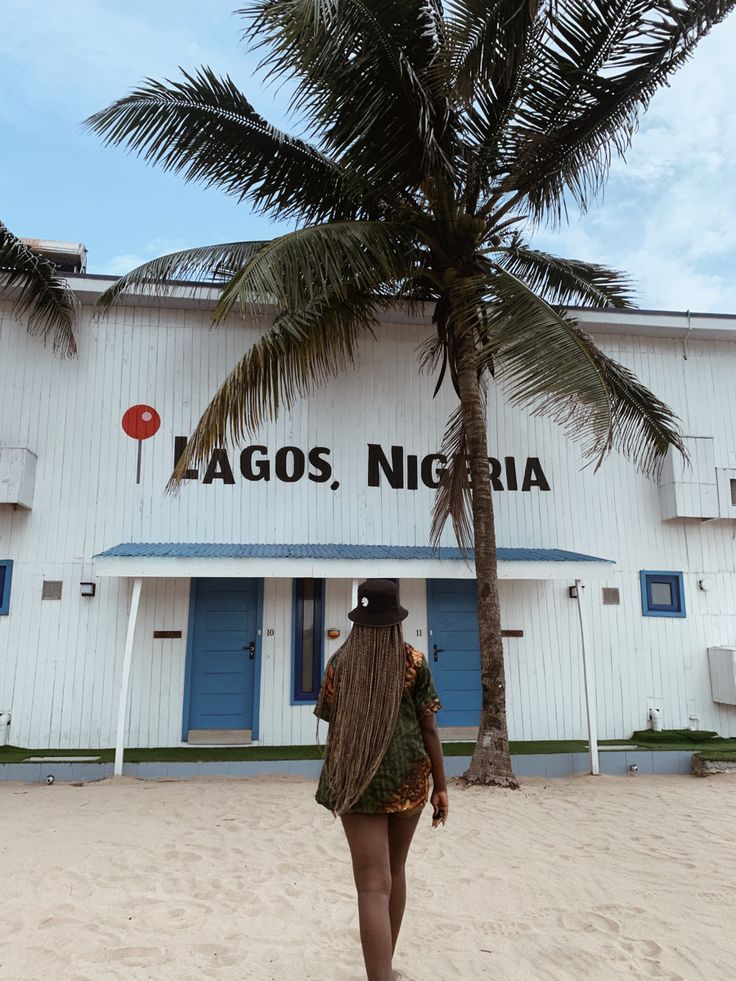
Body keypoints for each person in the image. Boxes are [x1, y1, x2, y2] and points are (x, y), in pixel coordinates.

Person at [315, 579, 448, 981]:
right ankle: (386, 968)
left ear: (359, 619)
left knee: (372, 886)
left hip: (356, 779)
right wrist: (441, 785)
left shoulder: (340, 662)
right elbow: (430, 730)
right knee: (396, 872)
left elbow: (330, 717)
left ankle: (381, 975)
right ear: (396, 620)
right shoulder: (414, 662)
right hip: (407, 779)